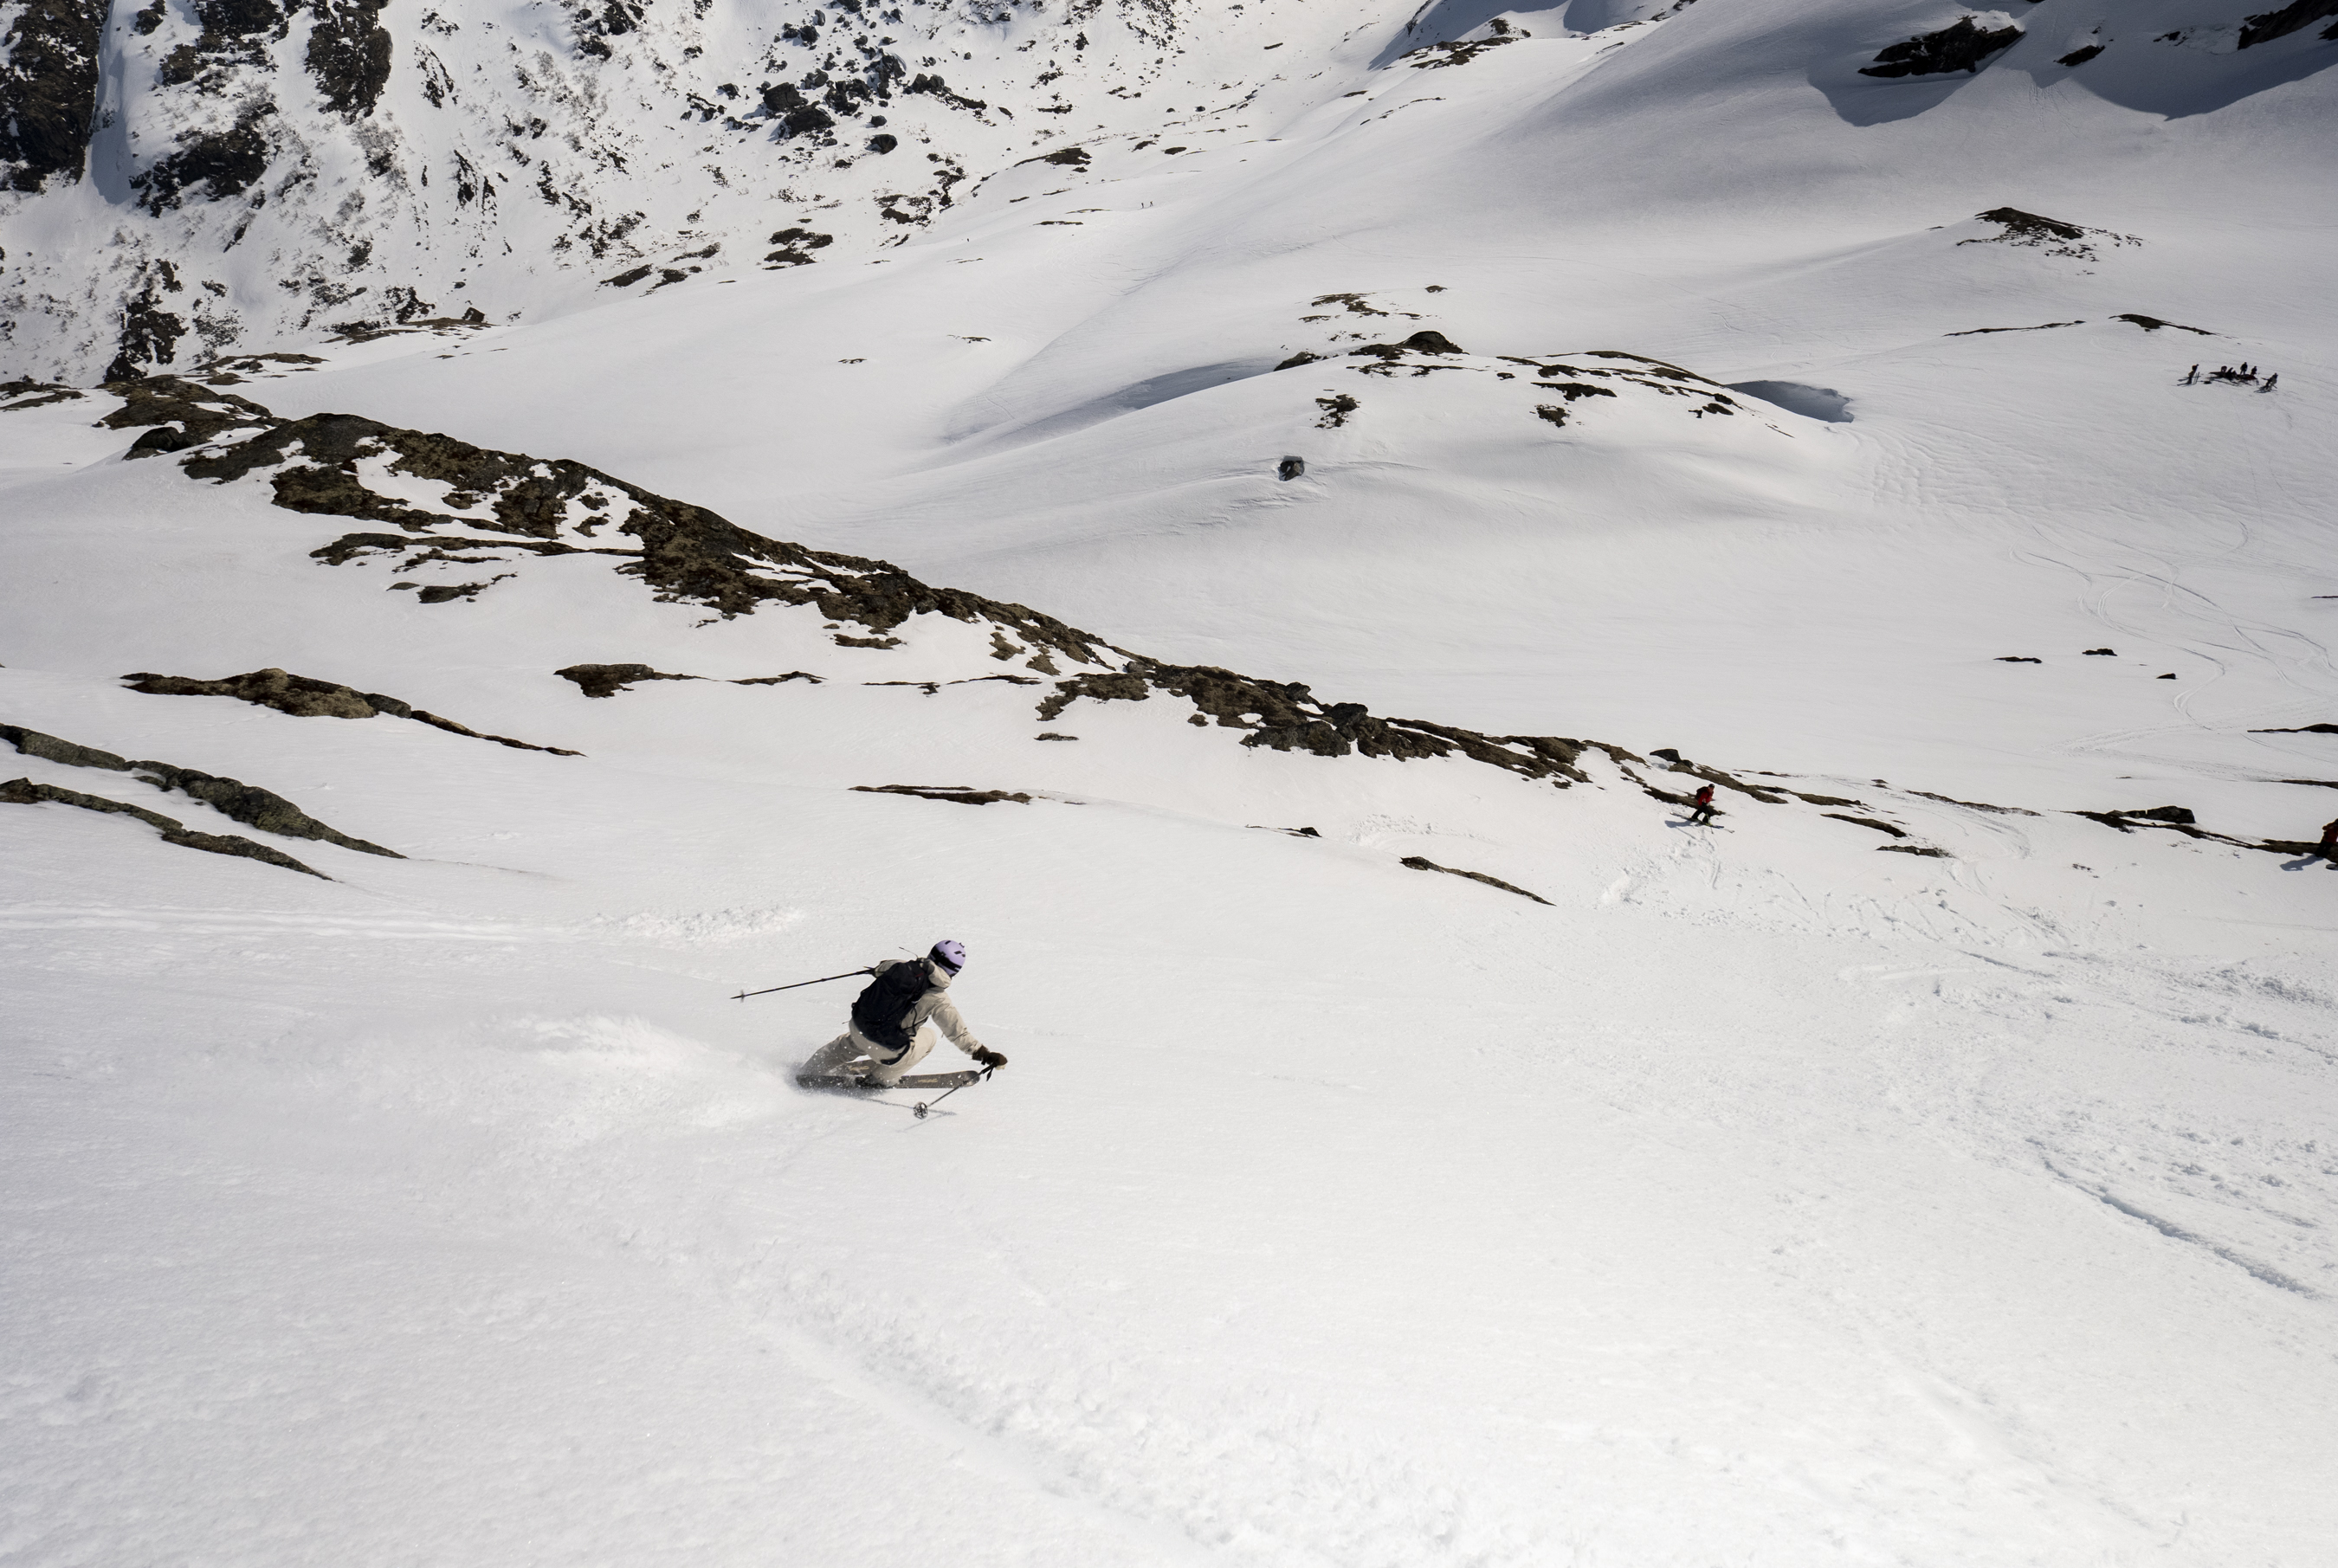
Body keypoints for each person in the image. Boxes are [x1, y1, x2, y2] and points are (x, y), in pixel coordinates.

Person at [802, 939, 1006, 1085]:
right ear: (954, 971)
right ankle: (881, 1079)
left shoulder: (900, 968)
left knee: (853, 1040)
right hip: (886, 1047)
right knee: (930, 1037)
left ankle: (808, 1070)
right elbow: (958, 1033)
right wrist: (985, 1055)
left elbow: (881, 968)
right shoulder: (939, 999)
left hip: (857, 1027)